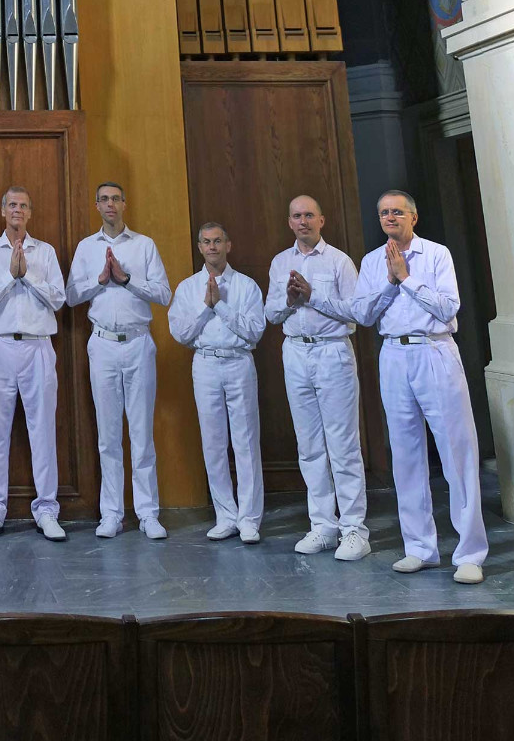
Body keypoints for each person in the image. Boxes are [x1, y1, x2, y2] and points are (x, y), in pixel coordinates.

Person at [351, 190, 488, 584]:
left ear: (413, 217)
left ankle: (470, 553)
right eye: (383, 212)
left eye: (397, 211)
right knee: (406, 454)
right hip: (393, 354)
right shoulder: (372, 261)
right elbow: (362, 314)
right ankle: (420, 548)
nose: (390, 217)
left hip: (434, 350)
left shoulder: (436, 254)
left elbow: (448, 307)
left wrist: (407, 279)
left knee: (457, 451)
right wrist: (389, 283)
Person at [265, 195, 369, 562]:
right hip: (295, 351)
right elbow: (270, 313)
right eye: (297, 216)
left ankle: (354, 529)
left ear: (321, 220)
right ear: (289, 222)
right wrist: (290, 302)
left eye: (309, 215)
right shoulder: (281, 262)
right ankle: (323, 525)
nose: (303, 221)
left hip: (332, 351)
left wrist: (313, 296)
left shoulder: (339, 261)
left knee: (343, 444)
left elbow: (356, 312)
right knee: (309, 445)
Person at [65, 181, 171, 540]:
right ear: (96, 206)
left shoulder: (144, 245)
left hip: (138, 342)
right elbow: (71, 295)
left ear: (125, 204)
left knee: (141, 433)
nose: (110, 204)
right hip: (103, 345)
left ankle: (148, 513)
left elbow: (164, 293)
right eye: (104, 199)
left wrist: (126, 280)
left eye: (115, 199)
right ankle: (111, 513)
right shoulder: (86, 247)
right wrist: (100, 281)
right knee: (108, 435)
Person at [0, 186, 67, 542]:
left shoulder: (46, 252)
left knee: (43, 431)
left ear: (30, 213)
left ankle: (47, 510)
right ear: (2, 211)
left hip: (38, 346)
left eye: (24, 205)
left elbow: (59, 298)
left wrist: (28, 275)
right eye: (12, 204)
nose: (18, 210)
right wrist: (10, 276)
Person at [169, 221, 266, 542]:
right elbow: (181, 333)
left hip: (239, 361)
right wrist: (205, 307)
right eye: (206, 242)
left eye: (218, 241)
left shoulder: (246, 286)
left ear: (228, 245)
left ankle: (249, 518)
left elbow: (255, 331)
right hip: (205, 362)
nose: (212, 247)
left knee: (246, 440)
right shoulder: (188, 288)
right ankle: (225, 515)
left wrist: (220, 306)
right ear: (200, 247)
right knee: (213, 441)